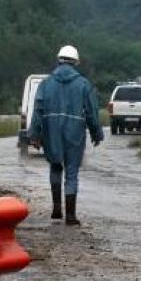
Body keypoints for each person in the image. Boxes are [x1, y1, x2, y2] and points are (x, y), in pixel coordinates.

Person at [28, 45, 103, 225]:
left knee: (55, 166)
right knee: (71, 170)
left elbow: (38, 109)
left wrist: (35, 134)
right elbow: (91, 112)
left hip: (51, 129)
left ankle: (56, 208)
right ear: (75, 62)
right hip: (74, 131)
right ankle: (70, 215)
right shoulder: (84, 84)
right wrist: (96, 132)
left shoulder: (46, 84)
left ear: (58, 60)